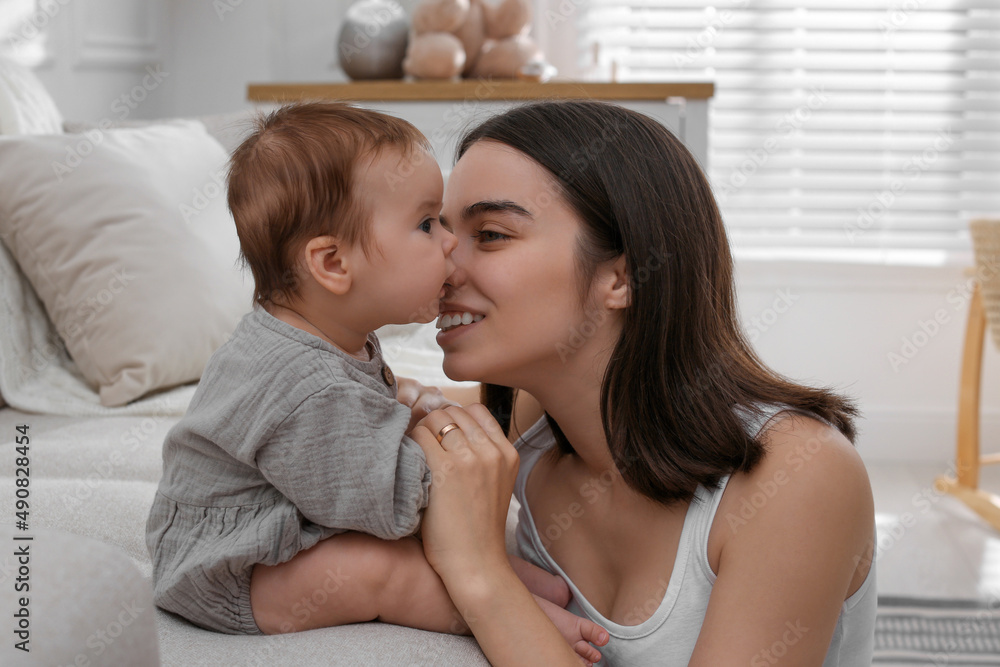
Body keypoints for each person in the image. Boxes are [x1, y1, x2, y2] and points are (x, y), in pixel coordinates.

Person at [409, 99, 878, 666]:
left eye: (490, 234)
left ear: (623, 276)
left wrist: (479, 571)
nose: (440, 268)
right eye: (438, 232)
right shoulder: (529, 422)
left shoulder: (797, 475)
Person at [144, 102, 609, 662]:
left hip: (288, 513)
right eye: (427, 223)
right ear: (334, 265)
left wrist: (405, 404)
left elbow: (362, 417)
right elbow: (396, 502)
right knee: (380, 570)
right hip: (228, 567)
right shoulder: (303, 383)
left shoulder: (329, 334)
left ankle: (519, 584)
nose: (449, 245)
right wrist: (451, 444)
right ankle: (532, 617)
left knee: (417, 551)